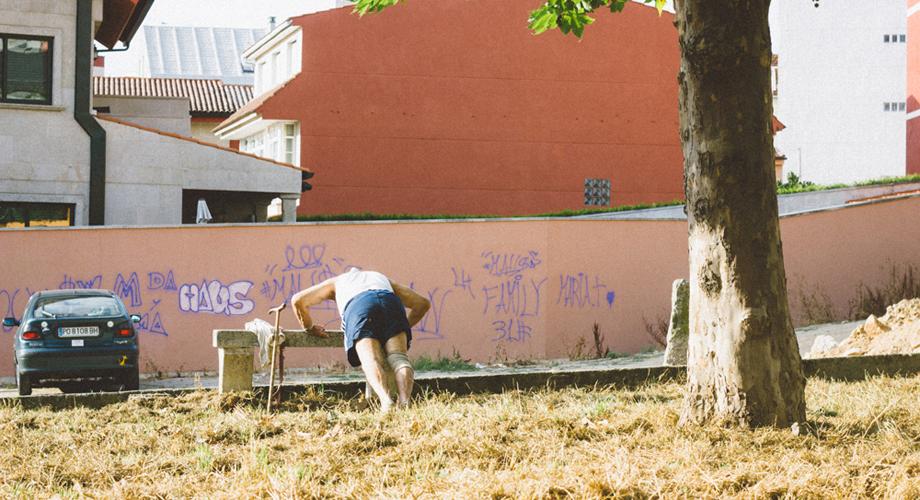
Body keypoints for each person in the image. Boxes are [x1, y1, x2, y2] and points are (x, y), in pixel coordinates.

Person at [291, 267, 430, 412]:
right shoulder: (380, 277)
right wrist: (400, 327)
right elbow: (422, 304)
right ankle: (405, 402)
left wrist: (309, 327)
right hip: (390, 302)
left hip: (360, 306)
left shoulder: (337, 281)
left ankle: (386, 402)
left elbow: (297, 300)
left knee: (371, 359)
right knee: (399, 358)